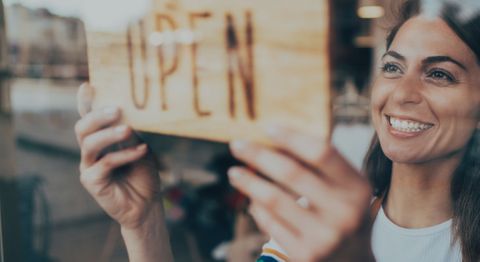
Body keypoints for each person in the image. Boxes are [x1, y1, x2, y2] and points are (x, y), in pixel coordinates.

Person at [74, 0, 480, 261]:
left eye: (440, 74)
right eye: (392, 67)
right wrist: (143, 223)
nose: (402, 93)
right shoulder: (310, 221)